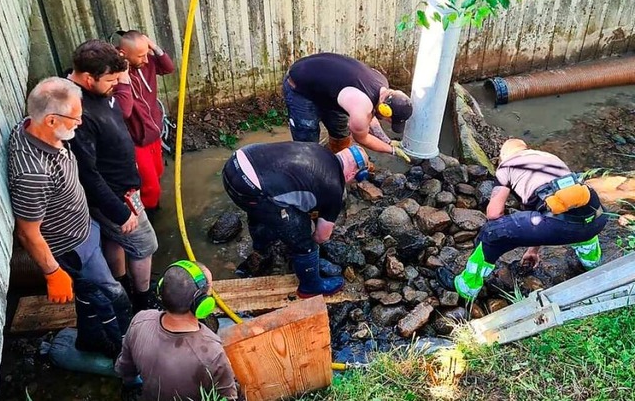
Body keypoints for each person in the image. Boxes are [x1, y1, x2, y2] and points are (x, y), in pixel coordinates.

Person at [7, 77, 132, 358]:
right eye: (75, 118)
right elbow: (27, 232)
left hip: (83, 229)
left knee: (88, 294)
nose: (80, 122)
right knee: (112, 297)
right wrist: (52, 273)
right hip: (71, 247)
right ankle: (123, 352)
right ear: (51, 120)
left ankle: (89, 338)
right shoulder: (33, 174)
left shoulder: (31, 126)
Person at [437, 138, 608, 301]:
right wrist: (533, 251)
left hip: (559, 224)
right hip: (597, 217)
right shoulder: (549, 157)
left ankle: (467, 287)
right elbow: (548, 209)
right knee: (579, 217)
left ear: (503, 156)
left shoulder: (507, 165)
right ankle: (592, 264)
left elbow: (494, 214)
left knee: (492, 233)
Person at [67, 39, 158, 312]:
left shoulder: (99, 93)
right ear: (87, 78)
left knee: (113, 240)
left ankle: (122, 286)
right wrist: (120, 212)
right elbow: (88, 173)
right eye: (110, 80)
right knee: (145, 244)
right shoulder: (76, 111)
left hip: (124, 188)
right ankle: (142, 299)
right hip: (115, 198)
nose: (115, 85)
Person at [222, 141, 373, 297]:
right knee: (303, 239)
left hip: (234, 165)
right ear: (353, 173)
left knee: (261, 211)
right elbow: (322, 236)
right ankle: (310, 286)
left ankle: (262, 247)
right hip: (252, 188)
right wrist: (303, 239)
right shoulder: (334, 186)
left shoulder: (319, 150)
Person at [115, 260, 238, 401]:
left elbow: (124, 368)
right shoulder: (212, 351)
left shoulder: (140, 320)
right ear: (202, 304)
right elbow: (228, 397)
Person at [283, 52, 413, 160]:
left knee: (340, 133)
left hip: (327, 90)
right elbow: (363, 138)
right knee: (308, 144)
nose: (387, 121)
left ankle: (337, 162)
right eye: (389, 120)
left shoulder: (381, 83)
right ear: (385, 111)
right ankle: (310, 172)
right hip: (300, 87)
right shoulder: (361, 108)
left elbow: (371, 114)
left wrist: (387, 141)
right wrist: (392, 151)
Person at [114, 30, 175, 211]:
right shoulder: (115, 75)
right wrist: (123, 76)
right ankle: (148, 215)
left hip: (153, 133)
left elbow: (168, 67)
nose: (146, 60)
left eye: (146, 53)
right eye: (141, 55)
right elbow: (123, 111)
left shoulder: (145, 64)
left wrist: (152, 45)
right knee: (150, 188)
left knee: (158, 173)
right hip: (136, 140)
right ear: (124, 54)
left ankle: (151, 206)